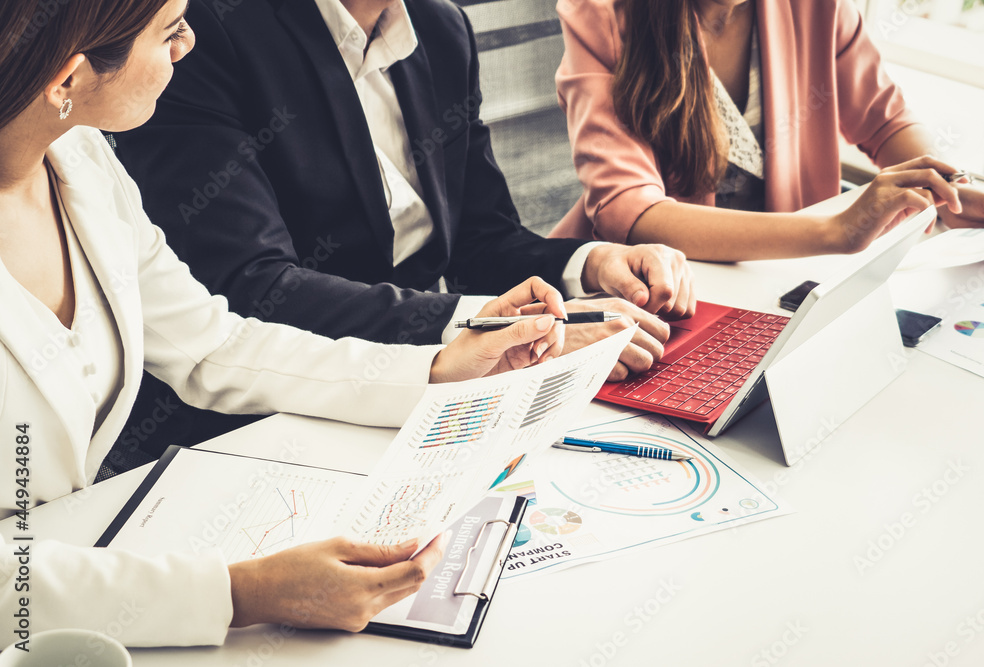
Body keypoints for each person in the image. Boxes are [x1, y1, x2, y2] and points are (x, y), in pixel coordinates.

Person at [0, 0, 580, 645]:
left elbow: (212, 345)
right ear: (67, 79)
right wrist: (240, 593)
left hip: (89, 563)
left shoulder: (79, 158)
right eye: (169, 31)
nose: (186, 45)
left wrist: (436, 367)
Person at [109, 0, 698, 469]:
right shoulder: (205, 31)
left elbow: (479, 239)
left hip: (430, 391)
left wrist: (592, 263)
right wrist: (488, 329)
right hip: (259, 420)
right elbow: (251, 286)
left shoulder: (441, 28)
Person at [549, 0, 984, 261]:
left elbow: (884, 120)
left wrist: (951, 188)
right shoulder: (601, 14)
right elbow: (629, 211)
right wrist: (834, 231)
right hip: (644, 285)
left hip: (780, 276)